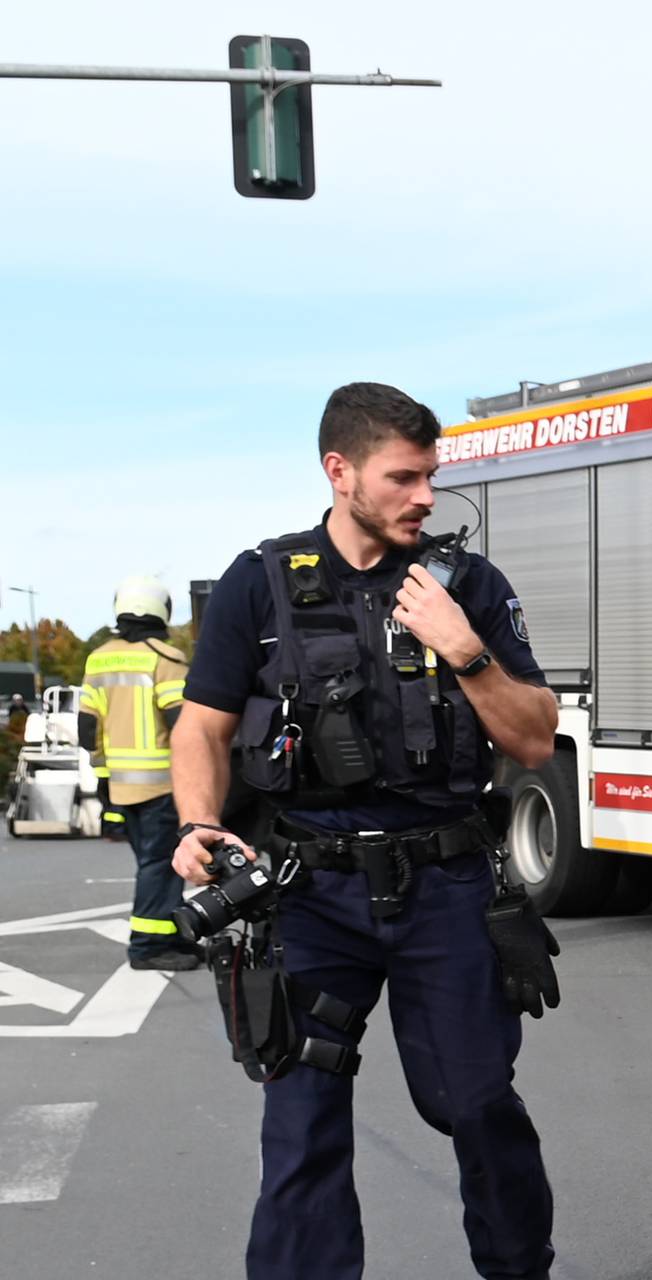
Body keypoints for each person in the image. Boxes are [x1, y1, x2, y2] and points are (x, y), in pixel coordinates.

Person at [170, 382, 565, 1280]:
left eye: (432, 476)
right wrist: (197, 822)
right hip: (309, 893)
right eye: (405, 477)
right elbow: (202, 726)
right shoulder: (260, 584)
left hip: (446, 886)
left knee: (473, 1102)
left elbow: (535, 737)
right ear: (339, 471)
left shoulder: (466, 585)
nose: (426, 496)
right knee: (300, 1120)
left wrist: (463, 647)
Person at [75, 575, 196, 969]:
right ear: (162, 609)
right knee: (160, 866)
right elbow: (184, 726)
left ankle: (174, 937)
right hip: (163, 785)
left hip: (119, 786)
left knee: (154, 865)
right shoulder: (165, 659)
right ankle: (148, 946)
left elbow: (87, 728)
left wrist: (102, 774)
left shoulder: (99, 658)